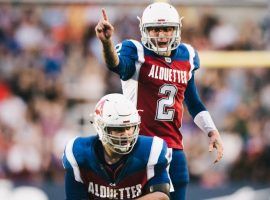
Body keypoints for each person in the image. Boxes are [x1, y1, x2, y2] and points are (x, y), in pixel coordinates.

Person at [95, 2, 224, 200]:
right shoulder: (136, 51)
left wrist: (211, 130)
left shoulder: (187, 55)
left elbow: (193, 101)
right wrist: (106, 43)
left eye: (167, 29)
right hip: (139, 148)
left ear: (177, 29)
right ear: (144, 30)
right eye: (155, 29)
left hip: (174, 149)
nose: (161, 35)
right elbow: (117, 65)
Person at [62, 93, 171, 200]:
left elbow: (162, 196)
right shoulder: (79, 154)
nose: (126, 134)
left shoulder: (151, 150)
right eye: (118, 129)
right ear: (100, 128)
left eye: (129, 127)